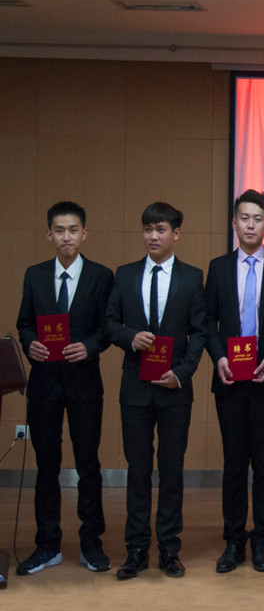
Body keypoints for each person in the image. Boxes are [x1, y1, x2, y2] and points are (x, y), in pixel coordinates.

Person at [103, 201, 206, 579]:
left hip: (174, 388)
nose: (153, 236)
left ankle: (168, 548)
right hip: (135, 387)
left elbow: (200, 333)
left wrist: (182, 373)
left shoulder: (192, 277)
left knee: (172, 469)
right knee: (138, 469)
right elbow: (109, 323)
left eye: (160, 229)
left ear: (175, 234)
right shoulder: (126, 274)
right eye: (148, 229)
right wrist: (131, 337)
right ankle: (136, 549)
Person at [15, 202, 114, 575]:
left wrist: (89, 346)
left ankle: (91, 544)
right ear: (49, 235)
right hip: (44, 384)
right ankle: (47, 545)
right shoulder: (35, 275)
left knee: (88, 464)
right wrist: (30, 344)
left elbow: (108, 327)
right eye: (59, 230)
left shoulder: (101, 276)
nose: (66, 237)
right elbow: (25, 323)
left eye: (73, 230)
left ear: (84, 234)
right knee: (46, 466)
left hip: (84, 383)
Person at [204, 190, 264, 573]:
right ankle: (233, 540)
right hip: (229, 379)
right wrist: (219, 357)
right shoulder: (219, 267)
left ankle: (262, 541)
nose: (251, 225)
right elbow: (207, 321)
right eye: (244, 218)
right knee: (234, 462)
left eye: (258, 218)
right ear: (234, 223)